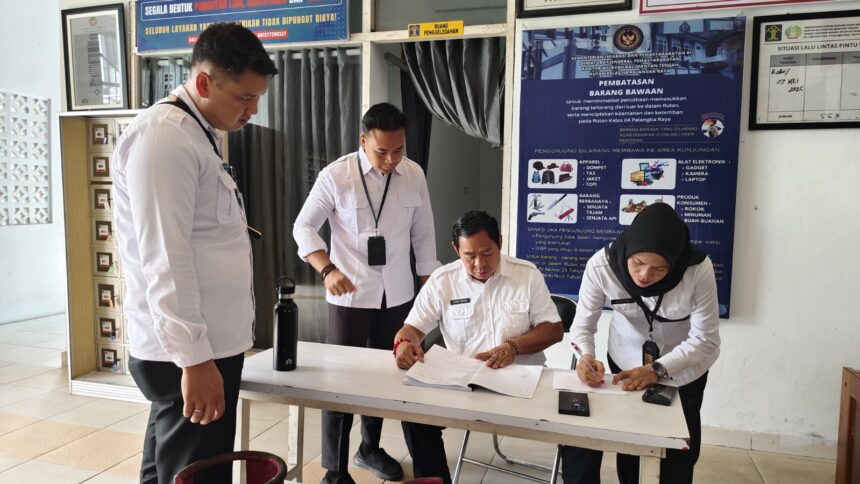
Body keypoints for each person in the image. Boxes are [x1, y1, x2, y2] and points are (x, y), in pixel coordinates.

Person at [112, 23, 278, 484]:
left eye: (258, 98)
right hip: (189, 351)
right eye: (244, 98)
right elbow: (165, 257)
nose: (253, 111)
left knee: (171, 468)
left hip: (203, 345)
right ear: (203, 82)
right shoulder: (165, 138)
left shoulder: (195, 132)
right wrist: (195, 360)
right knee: (197, 474)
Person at [292, 102, 440, 484]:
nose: (391, 159)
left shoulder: (414, 175)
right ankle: (334, 469)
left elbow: (423, 233)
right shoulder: (337, 175)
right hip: (349, 296)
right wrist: (327, 269)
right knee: (339, 382)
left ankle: (369, 448)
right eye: (382, 151)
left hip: (398, 295)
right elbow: (304, 228)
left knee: (385, 376)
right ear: (363, 140)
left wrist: (429, 284)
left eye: (398, 150)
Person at [393, 210, 564, 483]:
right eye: (469, 256)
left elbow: (554, 330)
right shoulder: (442, 280)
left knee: (575, 425)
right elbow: (412, 328)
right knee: (415, 417)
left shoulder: (527, 275)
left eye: (487, 253)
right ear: (455, 250)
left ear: (500, 241)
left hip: (521, 382)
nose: (479, 264)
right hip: (463, 382)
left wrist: (514, 346)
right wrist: (403, 345)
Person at [563, 203, 721, 484]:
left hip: (684, 365)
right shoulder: (602, 266)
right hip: (626, 359)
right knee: (632, 440)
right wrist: (586, 357)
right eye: (637, 263)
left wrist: (658, 370)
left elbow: (705, 339)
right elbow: (582, 326)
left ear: (675, 262)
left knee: (678, 448)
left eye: (659, 268)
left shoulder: (697, 269)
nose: (645, 275)